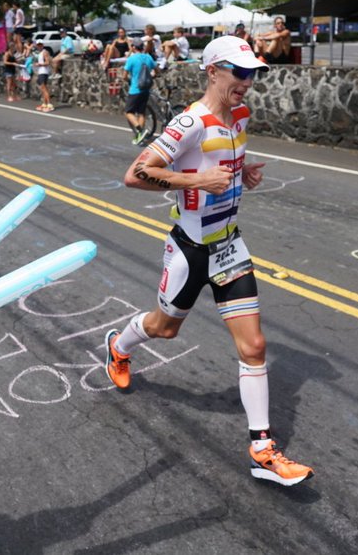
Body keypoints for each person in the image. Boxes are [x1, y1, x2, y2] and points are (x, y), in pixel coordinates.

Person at [104, 35, 314, 488]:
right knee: (165, 328)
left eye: (253, 73)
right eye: (240, 73)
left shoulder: (240, 115)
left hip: (229, 246)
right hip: (190, 248)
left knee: (255, 346)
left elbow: (225, 170)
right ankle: (119, 348)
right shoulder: (188, 123)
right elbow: (134, 174)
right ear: (213, 71)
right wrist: (195, 178)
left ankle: (262, 450)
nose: (248, 82)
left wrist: (243, 174)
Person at [122, 39, 157, 144]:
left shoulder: (131, 59)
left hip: (135, 89)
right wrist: (150, 76)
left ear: (133, 47)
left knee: (128, 112)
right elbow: (156, 71)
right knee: (141, 113)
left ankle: (140, 129)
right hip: (145, 89)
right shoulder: (148, 57)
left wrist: (129, 80)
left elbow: (124, 76)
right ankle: (139, 137)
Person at [33, 40, 54, 112]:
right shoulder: (40, 53)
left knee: (44, 88)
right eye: (38, 45)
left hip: (44, 72)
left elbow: (47, 62)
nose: (39, 46)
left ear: (42, 45)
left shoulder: (45, 52)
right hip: (41, 72)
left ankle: (49, 104)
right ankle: (44, 103)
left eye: (40, 45)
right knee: (42, 88)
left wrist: (39, 64)